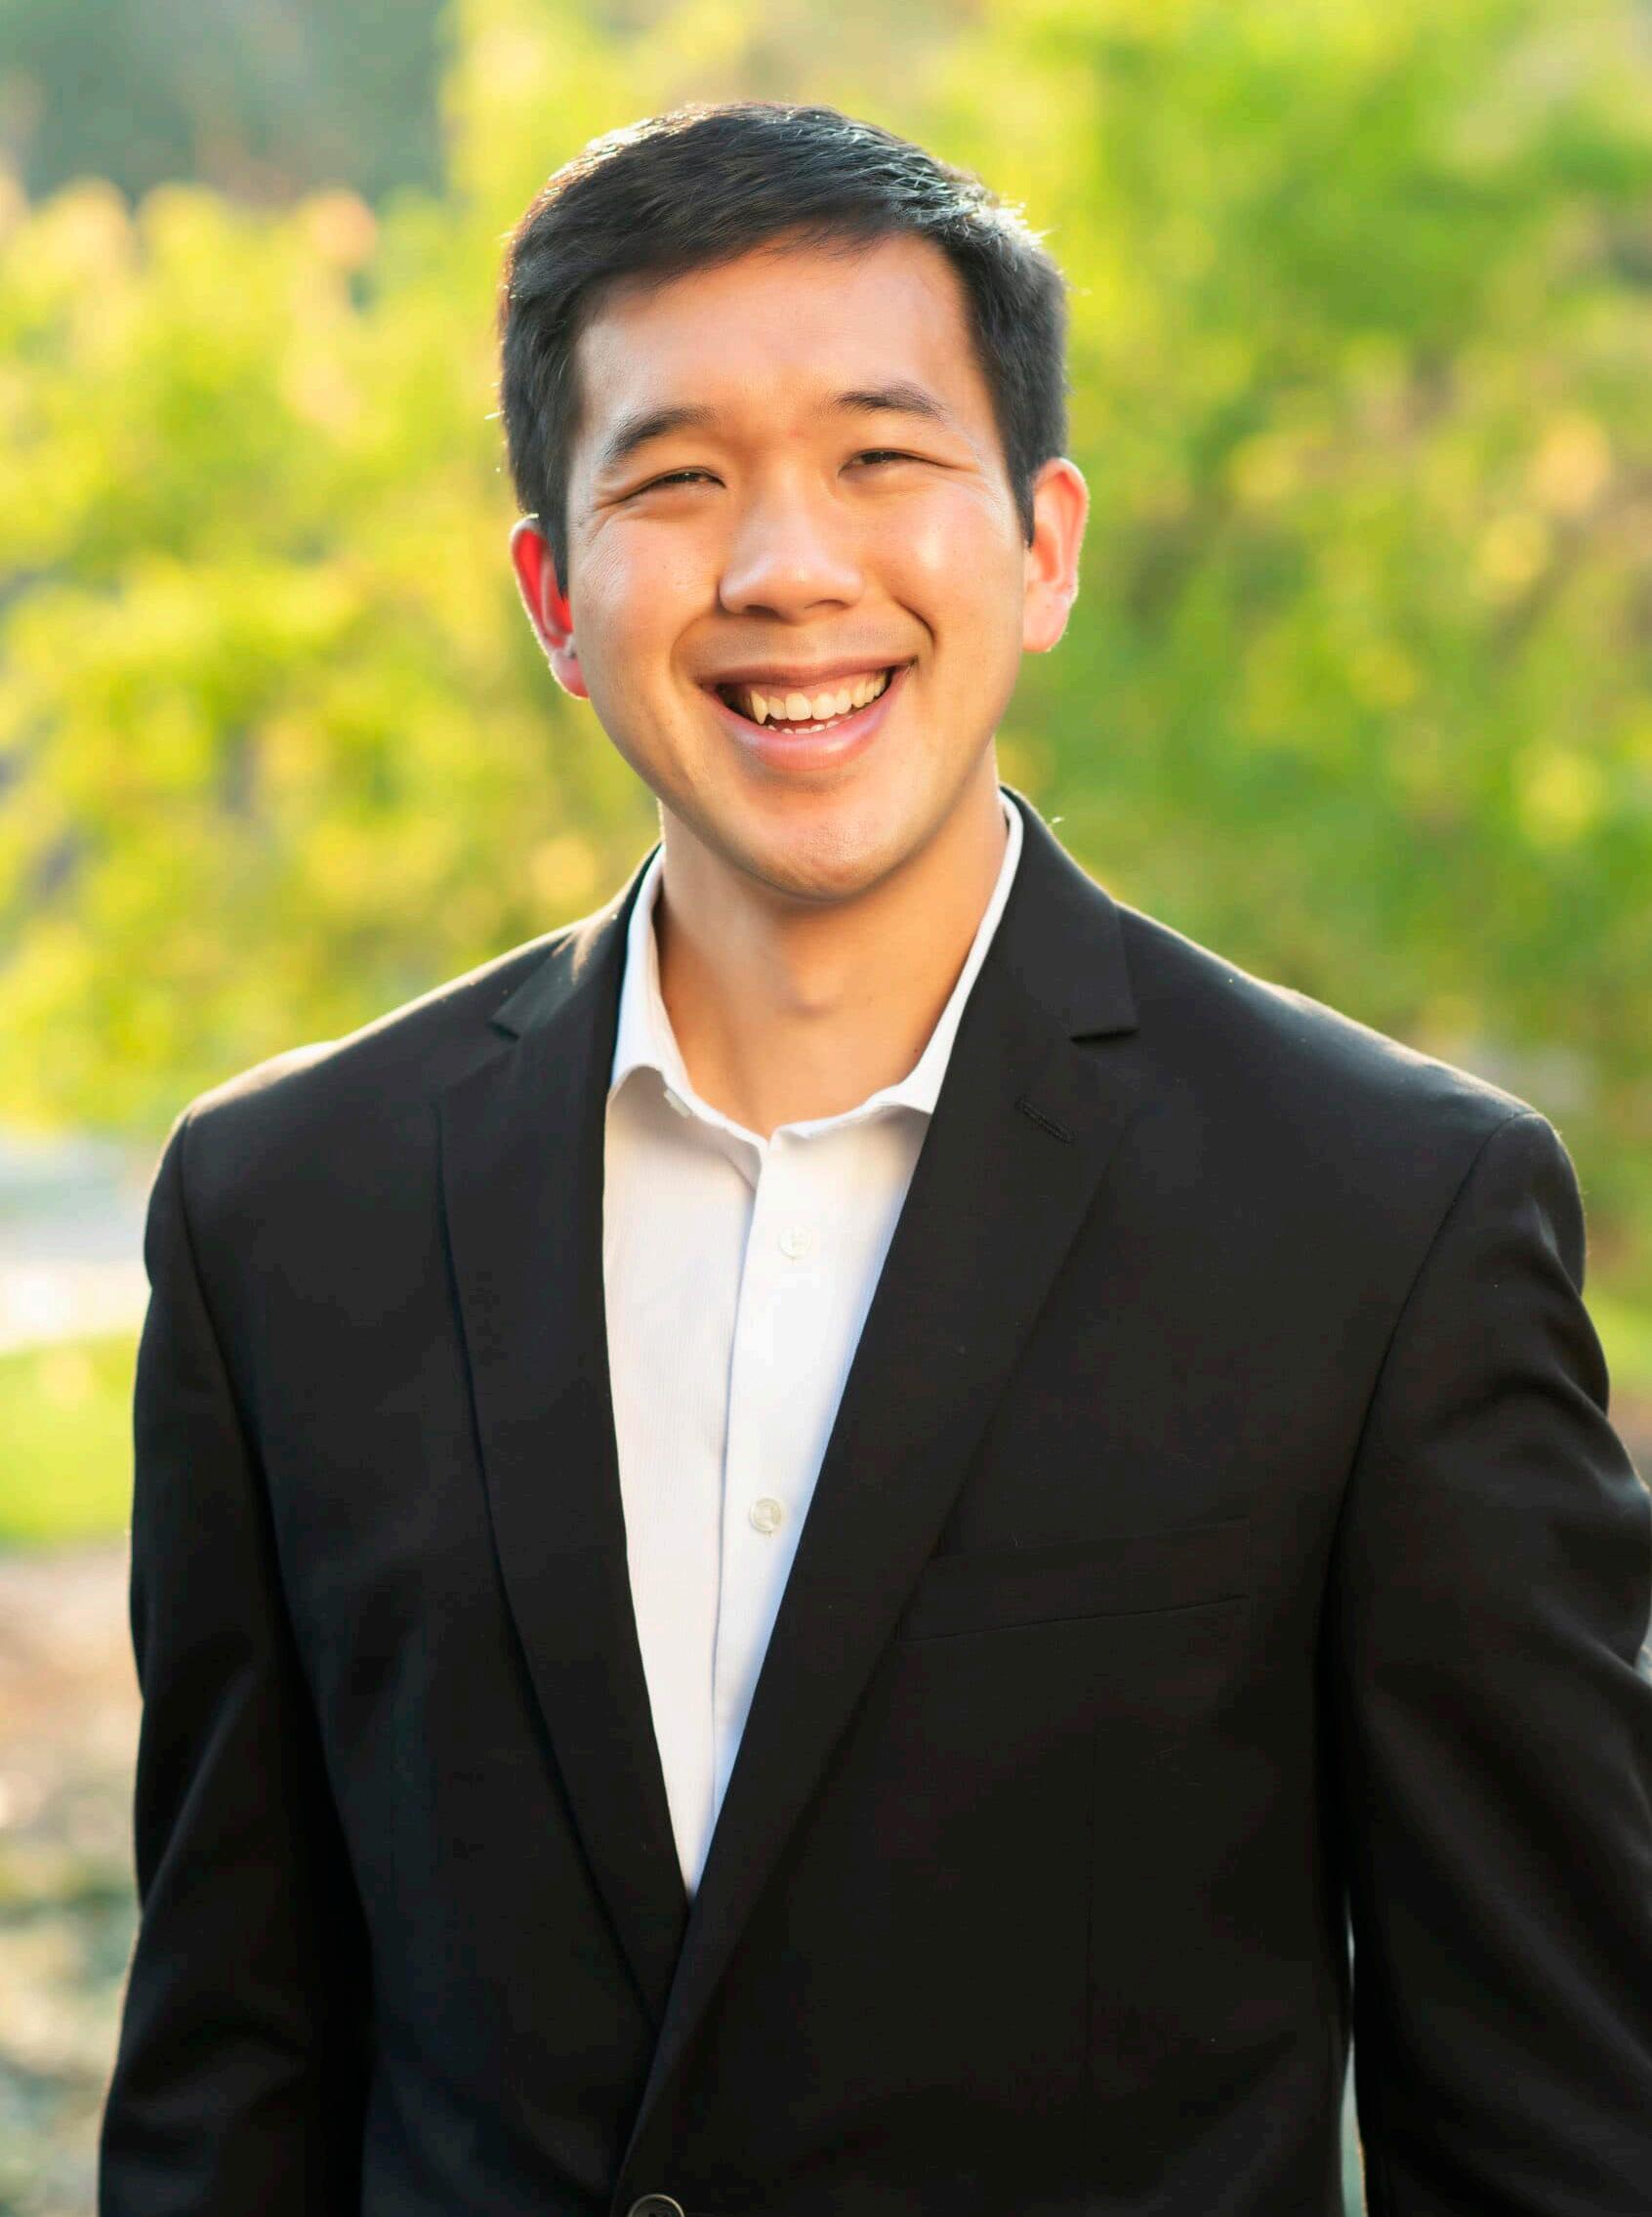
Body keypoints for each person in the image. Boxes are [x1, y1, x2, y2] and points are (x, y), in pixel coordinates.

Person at [99, 102, 1652, 2217]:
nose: (787, 569)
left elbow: (1556, 2138)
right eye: (676, 479)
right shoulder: (285, 1219)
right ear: (553, 593)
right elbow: (226, 2091)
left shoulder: (1385, 1227)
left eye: (880, 458)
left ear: (1044, 544)